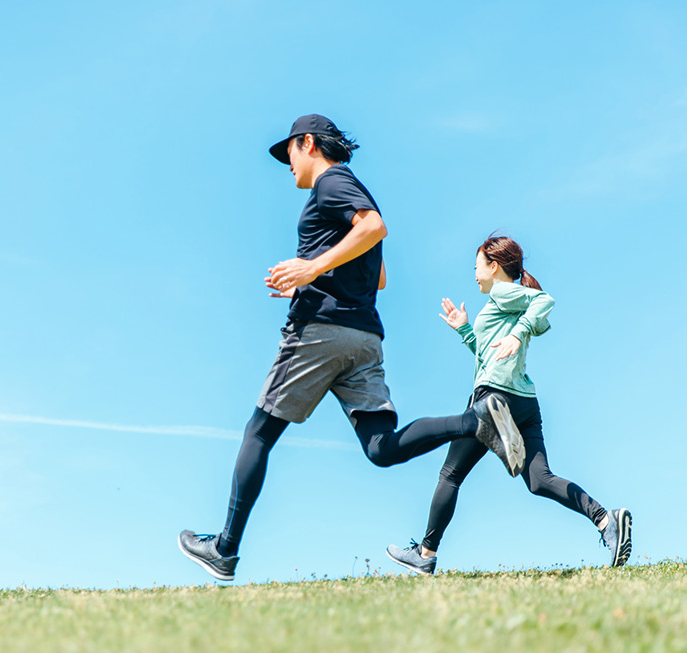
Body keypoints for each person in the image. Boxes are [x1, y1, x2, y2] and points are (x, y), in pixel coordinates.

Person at [178, 115, 524, 581]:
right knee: (381, 448)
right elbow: (377, 274)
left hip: (319, 332)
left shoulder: (333, 183)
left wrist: (308, 270)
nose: (288, 166)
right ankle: (475, 420)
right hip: (363, 337)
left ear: (308, 144)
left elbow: (374, 227)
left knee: (259, 432)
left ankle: (225, 548)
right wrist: (314, 275)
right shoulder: (352, 192)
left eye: (291, 154)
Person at [386, 235, 632, 575]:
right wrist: (465, 331)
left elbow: (545, 301)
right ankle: (606, 520)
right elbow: (490, 355)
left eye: (476, 266)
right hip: (524, 402)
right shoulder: (504, 303)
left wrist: (518, 334)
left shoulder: (504, 292)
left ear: (493, 266)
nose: (474, 274)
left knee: (451, 474)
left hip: (493, 399)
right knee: (539, 479)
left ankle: (425, 553)